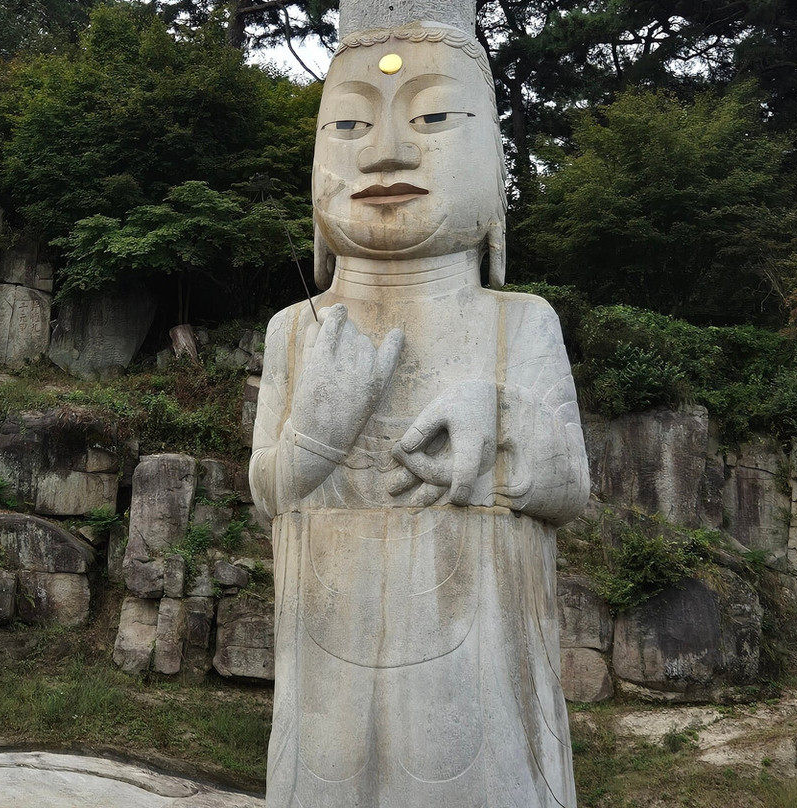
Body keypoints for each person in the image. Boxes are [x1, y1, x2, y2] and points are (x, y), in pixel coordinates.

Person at [250, 20, 590, 808]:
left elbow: (570, 486)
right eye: (349, 124)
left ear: (498, 163)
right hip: (327, 656)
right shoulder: (294, 329)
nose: (385, 153)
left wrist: (497, 414)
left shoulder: (519, 322)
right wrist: (318, 431)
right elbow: (270, 490)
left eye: (434, 117)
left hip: (478, 657)